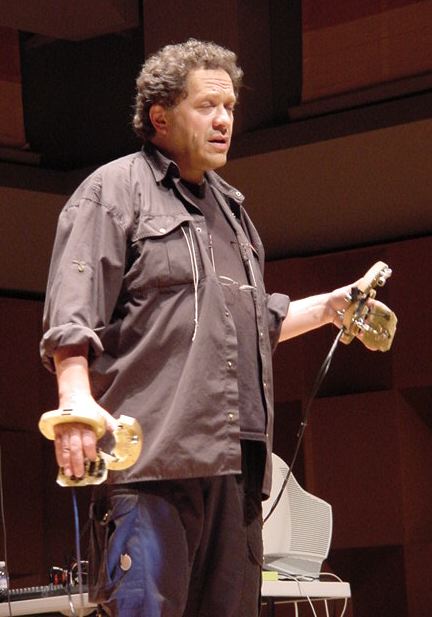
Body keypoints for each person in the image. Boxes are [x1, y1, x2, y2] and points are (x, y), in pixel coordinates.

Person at [40, 39, 391, 617]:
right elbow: (73, 310)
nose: (224, 120)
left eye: (229, 107)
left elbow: (253, 325)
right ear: (160, 116)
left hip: (236, 468)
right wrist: (74, 400)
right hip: (154, 464)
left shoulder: (233, 211)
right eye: (206, 106)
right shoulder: (113, 191)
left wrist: (330, 307)